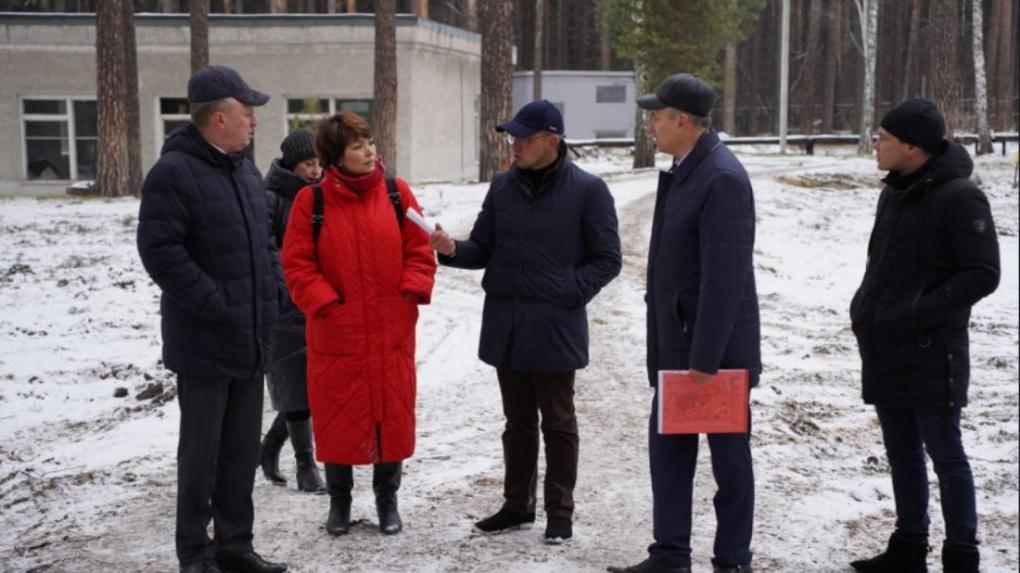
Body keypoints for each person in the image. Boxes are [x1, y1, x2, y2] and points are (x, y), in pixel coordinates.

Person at [429, 100, 621, 544]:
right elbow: (482, 247)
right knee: (516, 424)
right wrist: (451, 249)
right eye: (512, 137)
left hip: (555, 326)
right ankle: (517, 506)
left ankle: (560, 512)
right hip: (508, 325)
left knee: (558, 422)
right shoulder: (502, 186)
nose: (514, 145)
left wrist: (568, 291)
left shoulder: (588, 190)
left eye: (524, 138)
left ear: (552, 141)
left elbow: (608, 259)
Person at [136, 65, 288, 573]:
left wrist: (274, 290)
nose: (254, 122)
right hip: (204, 342)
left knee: (241, 452)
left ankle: (235, 547)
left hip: (250, 338)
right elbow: (160, 252)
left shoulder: (244, 171)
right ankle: (196, 555)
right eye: (247, 113)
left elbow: (265, 242)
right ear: (219, 118)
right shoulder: (173, 174)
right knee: (200, 456)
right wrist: (216, 304)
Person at [607, 73, 761, 573]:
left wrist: (705, 358)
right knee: (669, 453)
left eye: (656, 117)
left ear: (683, 121)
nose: (650, 125)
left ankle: (732, 559)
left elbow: (725, 278)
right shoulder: (685, 169)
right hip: (680, 345)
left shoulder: (722, 177)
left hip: (713, 356)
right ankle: (670, 554)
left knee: (729, 461)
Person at [848, 99, 1000, 573]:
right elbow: (880, 264)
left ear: (912, 147)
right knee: (902, 454)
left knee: (946, 456)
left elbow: (982, 274)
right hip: (885, 345)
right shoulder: (893, 193)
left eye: (884, 138)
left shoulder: (960, 197)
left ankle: (961, 555)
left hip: (932, 350)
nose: (875, 144)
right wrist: (866, 308)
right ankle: (909, 547)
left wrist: (917, 314)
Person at [280, 111, 436, 537]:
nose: (369, 152)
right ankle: (340, 503)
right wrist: (327, 306)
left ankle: (388, 501)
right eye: (357, 146)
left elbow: (420, 250)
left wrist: (408, 294)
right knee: (338, 418)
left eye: (369, 143)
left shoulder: (397, 194)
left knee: (391, 413)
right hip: (337, 331)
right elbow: (297, 265)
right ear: (336, 157)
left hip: (390, 329)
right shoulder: (311, 202)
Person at [259, 131, 326, 494]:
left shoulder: (325, 193)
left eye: (319, 163)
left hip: (321, 300)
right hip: (286, 304)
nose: (315, 171)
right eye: (308, 164)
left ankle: (270, 445)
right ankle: (306, 465)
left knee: (316, 385)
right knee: (295, 382)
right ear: (291, 165)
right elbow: (266, 248)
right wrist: (285, 289)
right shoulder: (271, 198)